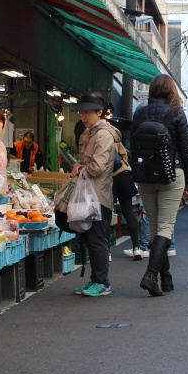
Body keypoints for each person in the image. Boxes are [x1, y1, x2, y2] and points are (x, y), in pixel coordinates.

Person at [130, 73, 188, 297]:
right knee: (166, 227)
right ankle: (150, 276)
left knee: (156, 228)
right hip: (171, 174)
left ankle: (165, 279)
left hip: (145, 176)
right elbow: (186, 149)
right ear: (170, 91)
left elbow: (133, 145)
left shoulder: (139, 112)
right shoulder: (176, 113)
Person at [69, 93, 119, 297]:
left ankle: (103, 282)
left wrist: (81, 169)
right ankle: (95, 279)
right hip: (90, 195)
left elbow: (97, 167)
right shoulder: (90, 132)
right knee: (90, 239)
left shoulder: (104, 134)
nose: (83, 115)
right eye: (81, 111)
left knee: (97, 240)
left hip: (98, 195)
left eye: (88, 111)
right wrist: (79, 165)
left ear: (100, 112)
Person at [110, 131, 143, 262]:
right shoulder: (114, 135)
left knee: (106, 213)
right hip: (123, 174)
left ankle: (106, 252)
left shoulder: (93, 135)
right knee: (128, 212)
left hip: (108, 178)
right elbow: (124, 154)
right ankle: (136, 248)